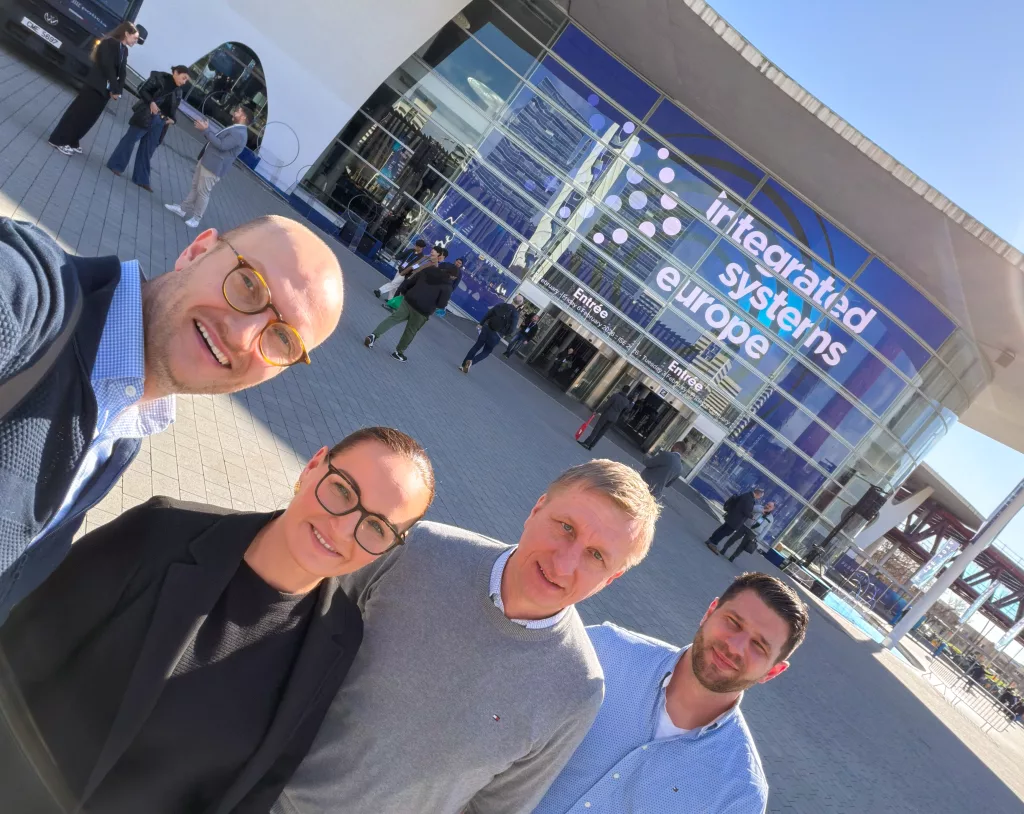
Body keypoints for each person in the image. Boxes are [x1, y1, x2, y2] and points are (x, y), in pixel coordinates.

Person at [0, 427, 435, 812]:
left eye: (376, 527)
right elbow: (17, 653)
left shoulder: (337, 637)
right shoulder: (162, 534)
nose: (343, 529)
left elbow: (257, 789)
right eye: (342, 490)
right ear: (313, 466)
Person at [0, 215, 344, 622]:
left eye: (283, 338)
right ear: (196, 251)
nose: (241, 336)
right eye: (249, 283)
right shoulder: (32, 297)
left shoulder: (123, 432)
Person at [272, 459, 661, 814]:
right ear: (537, 509)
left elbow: (493, 809)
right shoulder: (419, 550)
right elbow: (296, 632)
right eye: (565, 528)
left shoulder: (576, 689)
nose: (563, 563)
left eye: (596, 556)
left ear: (611, 579)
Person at [535, 572, 809, 814]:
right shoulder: (602, 652)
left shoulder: (739, 793)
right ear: (709, 612)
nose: (735, 646)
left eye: (759, 646)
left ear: (773, 672)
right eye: (733, 623)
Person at [47, 22, 142, 155]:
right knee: (78, 113)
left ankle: (73, 140)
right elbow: (108, 66)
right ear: (126, 33)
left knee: (89, 118)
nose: (136, 41)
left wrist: (118, 90)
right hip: (95, 85)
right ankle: (58, 139)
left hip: (104, 91)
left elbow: (122, 72)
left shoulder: (124, 50)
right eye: (135, 37)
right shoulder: (109, 43)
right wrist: (114, 88)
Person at [165, 105, 252, 228]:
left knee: (203, 192)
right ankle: (183, 209)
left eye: (237, 111)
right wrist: (207, 130)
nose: (234, 112)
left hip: (214, 167)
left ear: (243, 117)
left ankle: (196, 218)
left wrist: (206, 130)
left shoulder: (239, 133)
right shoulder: (237, 129)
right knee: (196, 187)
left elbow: (222, 145)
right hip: (208, 161)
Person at [107, 65, 190, 192]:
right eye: (183, 78)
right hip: (146, 114)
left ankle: (141, 179)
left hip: (161, 121)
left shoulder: (179, 91)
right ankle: (116, 165)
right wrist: (151, 102)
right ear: (176, 72)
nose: (184, 82)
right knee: (130, 140)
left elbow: (173, 109)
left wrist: (173, 120)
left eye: (186, 80)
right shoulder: (160, 77)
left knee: (148, 149)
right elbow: (142, 89)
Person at [363, 253, 453, 362]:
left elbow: (411, 281)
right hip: (422, 312)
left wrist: (405, 292)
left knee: (392, 319)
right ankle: (398, 353)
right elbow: (441, 304)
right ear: (451, 275)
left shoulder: (427, 271)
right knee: (410, 331)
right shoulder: (447, 286)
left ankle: (373, 336)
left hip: (409, 301)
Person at [459, 294, 523, 373]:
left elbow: (489, 313)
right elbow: (512, 329)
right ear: (520, 304)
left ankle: (463, 365)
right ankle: (471, 362)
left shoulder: (501, 305)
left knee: (476, 346)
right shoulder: (515, 314)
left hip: (487, 328)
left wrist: (481, 323)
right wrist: (504, 333)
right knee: (487, 351)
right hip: (497, 334)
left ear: (513, 299)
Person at [704, 487, 764, 554]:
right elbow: (746, 510)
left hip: (732, 516)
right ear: (758, 494)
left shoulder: (747, 494)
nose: (759, 498)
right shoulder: (750, 499)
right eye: (760, 497)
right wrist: (751, 516)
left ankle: (710, 540)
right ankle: (713, 543)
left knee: (722, 529)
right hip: (736, 519)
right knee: (725, 532)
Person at [578, 384, 633, 451]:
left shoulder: (615, 396)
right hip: (614, 418)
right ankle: (591, 446)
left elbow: (606, 405)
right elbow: (628, 409)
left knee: (597, 429)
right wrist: (632, 403)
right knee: (602, 432)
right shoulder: (626, 401)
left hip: (607, 415)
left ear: (622, 389)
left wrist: (597, 411)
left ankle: (587, 443)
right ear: (627, 392)